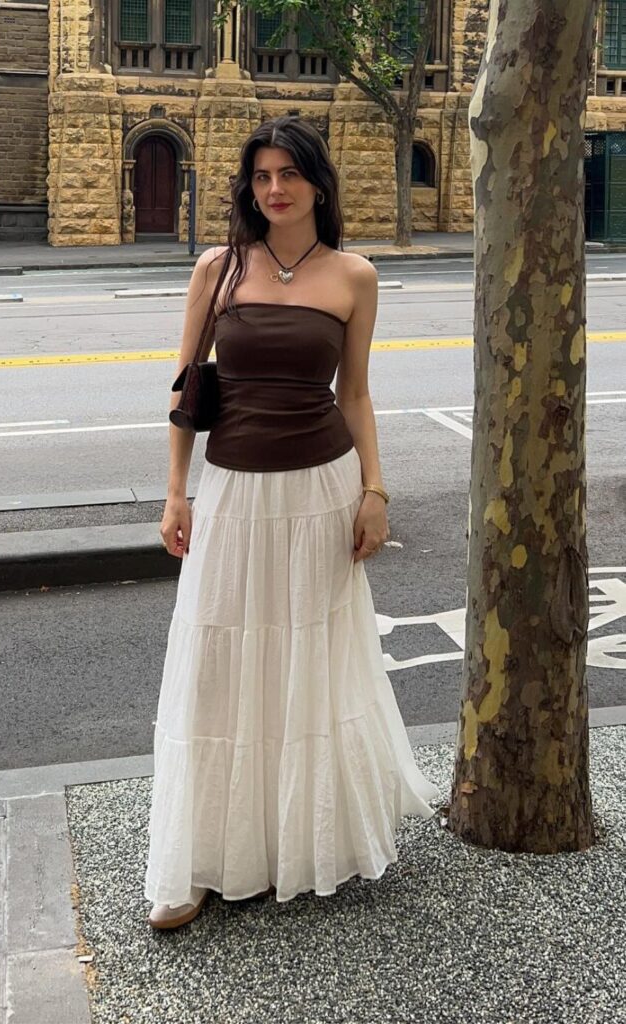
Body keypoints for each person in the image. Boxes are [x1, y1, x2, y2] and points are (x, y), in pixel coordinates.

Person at [145, 115, 439, 929]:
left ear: (316, 182)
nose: (274, 189)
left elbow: (355, 395)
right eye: (261, 177)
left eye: (288, 175)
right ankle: (199, 857)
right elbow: (186, 387)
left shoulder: (353, 276)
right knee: (216, 662)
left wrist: (375, 491)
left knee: (309, 660)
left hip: (321, 488)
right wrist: (176, 492)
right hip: (233, 489)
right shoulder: (219, 267)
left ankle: (298, 840)